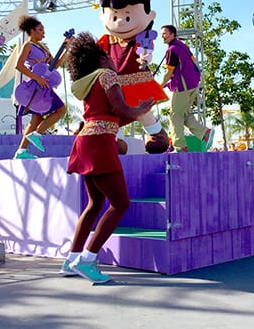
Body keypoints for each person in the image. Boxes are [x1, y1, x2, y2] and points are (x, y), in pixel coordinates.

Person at [59, 32, 153, 283]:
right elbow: (122, 110)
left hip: (86, 141)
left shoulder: (89, 83)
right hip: (100, 144)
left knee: (95, 204)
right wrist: (142, 110)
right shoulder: (107, 75)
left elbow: (113, 116)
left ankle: (71, 259)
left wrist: (135, 112)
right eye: (108, 56)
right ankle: (87, 260)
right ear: (101, 60)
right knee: (120, 203)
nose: (113, 60)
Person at [98, 0, 169, 153]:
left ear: (149, 16)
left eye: (127, 17)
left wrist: (145, 57)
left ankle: (157, 135)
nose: (120, 22)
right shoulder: (106, 40)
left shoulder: (142, 37)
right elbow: (94, 54)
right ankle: (116, 140)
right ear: (103, 16)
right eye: (114, 17)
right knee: (115, 113)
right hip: (114, 85)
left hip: (136, 81)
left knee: (142, 111)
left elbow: (146, 50)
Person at [13, 16, 66, 159]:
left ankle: (21, 152)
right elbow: (19, 65)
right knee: (61, 109)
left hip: (43, 86)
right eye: (40, 29)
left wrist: (66, 48)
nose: (44, 32)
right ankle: (38, 134)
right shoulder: (28, 45)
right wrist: (37, 78)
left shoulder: (43, 48)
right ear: (32, 31)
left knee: (36, 119)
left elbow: (54, 66)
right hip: (36, 86)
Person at [159, 24, 214, 152]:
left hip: (182, 86)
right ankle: (205, 133)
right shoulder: (183, 47)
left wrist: (160, 86)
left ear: (172, 34)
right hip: (193, 84)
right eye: (161, 33)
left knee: (174, 115)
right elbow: (194, 61)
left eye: (165, 33)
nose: (162, 36)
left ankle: (179, 146)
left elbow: (168, 74)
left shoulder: (171, 50)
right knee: (184, 113)